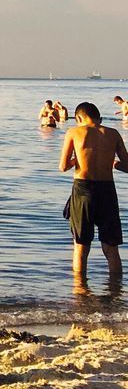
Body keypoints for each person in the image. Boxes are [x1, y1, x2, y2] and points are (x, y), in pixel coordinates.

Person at [60, 102, 126, 284]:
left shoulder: (74, 132)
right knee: (111, 248)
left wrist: (77, 159)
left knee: (81, 246)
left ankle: (80, 293)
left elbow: (63, 166)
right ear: (99, 117)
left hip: (83, 189)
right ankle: (115, 292)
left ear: (79, 118)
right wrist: (115, 164)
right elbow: (127, 166)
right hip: (107, 190)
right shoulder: (113, 133)